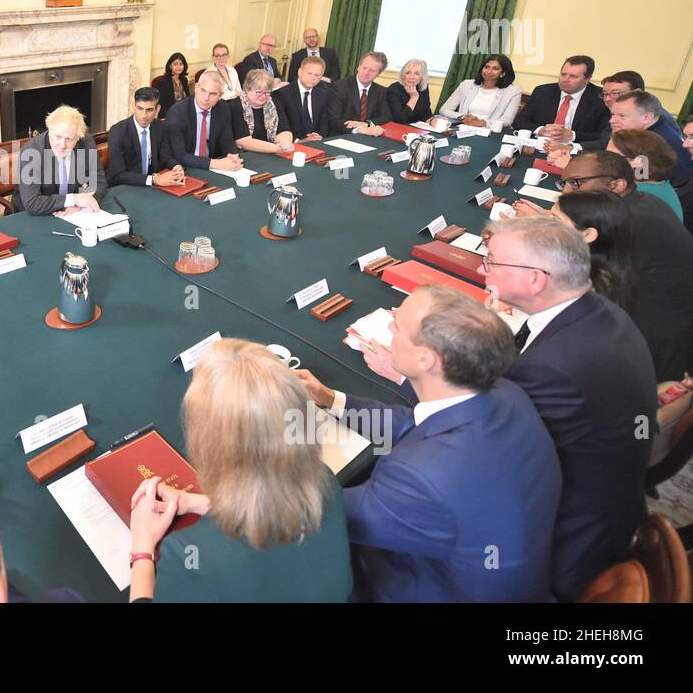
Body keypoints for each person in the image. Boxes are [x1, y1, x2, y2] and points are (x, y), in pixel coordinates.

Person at [298, 287, 561, 602]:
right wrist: (333, 401)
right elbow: (414, 425)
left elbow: (327, 514)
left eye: (398, 324)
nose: (390, 326)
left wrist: (257, 438)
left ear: (426, 359)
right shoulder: (505, 395)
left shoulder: (421, 476)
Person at [480, 217, 655, 601]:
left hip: (564, 544)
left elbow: (483, 443)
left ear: (536, 280)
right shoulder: (597, 312)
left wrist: (415, 372)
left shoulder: (553, 367)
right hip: (612, 497)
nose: (483, 268)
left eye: (492, 261)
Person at [128, 339, 351, 602]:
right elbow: (271, 497)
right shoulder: (324, 481)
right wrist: (198, 502)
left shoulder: (188, 556)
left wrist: (141, 550)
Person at [557, 151, 693, 385]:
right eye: (565, 182)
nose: (566, 191)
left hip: (651, 345)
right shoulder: (641, 202)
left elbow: (570, 268)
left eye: (576, 183)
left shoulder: (629, 220)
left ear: (616, 185)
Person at [548, 191, 639, 315]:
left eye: (556, 219)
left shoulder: (585, 284)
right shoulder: (599, 259)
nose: (545, 223)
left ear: (588, 234)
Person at [12, 104, 108, 215]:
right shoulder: (31, 152)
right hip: (34, 216)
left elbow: (99, 182)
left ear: (77, 138)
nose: (62, 145)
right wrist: (74, 199)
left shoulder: (86, 142)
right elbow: (33, 203)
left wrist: (83, 202)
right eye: (58, 137)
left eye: (68, 139)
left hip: (72, 213)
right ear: (49, 131)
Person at [512, 55, 609, 145]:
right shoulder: (542, 91)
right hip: (540, 144)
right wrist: (541, 130)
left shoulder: (602, 98)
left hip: (575, 149)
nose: (565, 79)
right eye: (563, 74)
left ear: (587, 79)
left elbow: (604, 136)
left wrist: (572, 135)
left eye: (573, 76)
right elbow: (520, 121)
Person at [608, 90, 693, 185]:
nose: (612, 120)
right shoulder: (656, 129)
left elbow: (640, 179)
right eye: (612, 115)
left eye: (622, 116)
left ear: (647, 118)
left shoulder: (653, 143)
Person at [105, 88, 185, 188]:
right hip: (125, 187)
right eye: (140, 108)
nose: (144, 115)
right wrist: (154, 180)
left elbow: (165, 157)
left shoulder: (159, 126)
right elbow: (117, 174)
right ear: (133, 107)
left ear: (158, 109)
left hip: (151, 186)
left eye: (149, 110)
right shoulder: (118, 131)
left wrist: (176, 166)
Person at [165, 70, 243, 171]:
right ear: (196, 88)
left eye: (213, 94)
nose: (206, 98)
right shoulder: (177, 113)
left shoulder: (222, 108)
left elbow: (227, 141)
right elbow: (180, 155)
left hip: (213, 165)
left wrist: (233, 157)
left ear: (220, 96)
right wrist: (215, 164)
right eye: (203, 91)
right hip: (186, 168)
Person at [609, 127, 682, 217]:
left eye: (611, 156)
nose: (605, 161)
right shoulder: (659, 186)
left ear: (639, 162)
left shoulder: (634, 194)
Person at [437, 55, 521, 127]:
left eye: (495, 68)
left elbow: (507, 120)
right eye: (486, 67)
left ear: (503, 73)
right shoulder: (466, 84)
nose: (488, 71)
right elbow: (444, 109)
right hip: (464, 127)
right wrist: (462, 117)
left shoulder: (513, 91)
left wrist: (483, 123)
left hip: (490, 132)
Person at [326, 52, 391, 136]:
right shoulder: (339, 87)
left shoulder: (381, 91)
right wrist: (359, 129)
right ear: (358, 67)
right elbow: (333, 120)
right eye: (364, 68)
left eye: (372, 71)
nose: (366, 72)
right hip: (342, 135)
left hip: (369, 136)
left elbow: (387, 116)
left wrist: (366, 124)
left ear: (379, 74)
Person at [229, 69, 294, 154]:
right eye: (259, 92)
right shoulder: (235, 106)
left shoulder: (274, 104)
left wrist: (284, 143)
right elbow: (243, 141)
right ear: (247, 89)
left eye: (267, 92)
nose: (263, 96)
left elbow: (284, 130)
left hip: (273, 151)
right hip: (247, 154)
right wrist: (275, 148)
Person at [273, 54, 333, 140]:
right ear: (299, 72)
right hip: (293, 143)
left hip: (317, 141)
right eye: (309, 73)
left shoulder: (322, 94)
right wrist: (301, 141)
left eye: (317, 75)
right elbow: (280, 126)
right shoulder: (282, 94)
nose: (313, 78)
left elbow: (324, 121)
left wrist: (319, 135)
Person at [386, 58, 433, 124]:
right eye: (408, 73)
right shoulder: (394, 90)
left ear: (422, 77)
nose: (411, 77)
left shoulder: (423, 88)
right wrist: (414, 97)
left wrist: (432, 120)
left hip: (416, 128)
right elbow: (400, 120)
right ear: (403, 75)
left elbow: (426, 112)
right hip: (397, 127)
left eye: (416, 74)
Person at [155, 53, 192, 120]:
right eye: (175, 64)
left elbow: (188, 99)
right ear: (170, 66)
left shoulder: (184, 79)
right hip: (170, 115)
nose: (179, 67)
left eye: (181, 64)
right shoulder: (162, 82)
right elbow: (161, 106)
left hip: (184, 114)